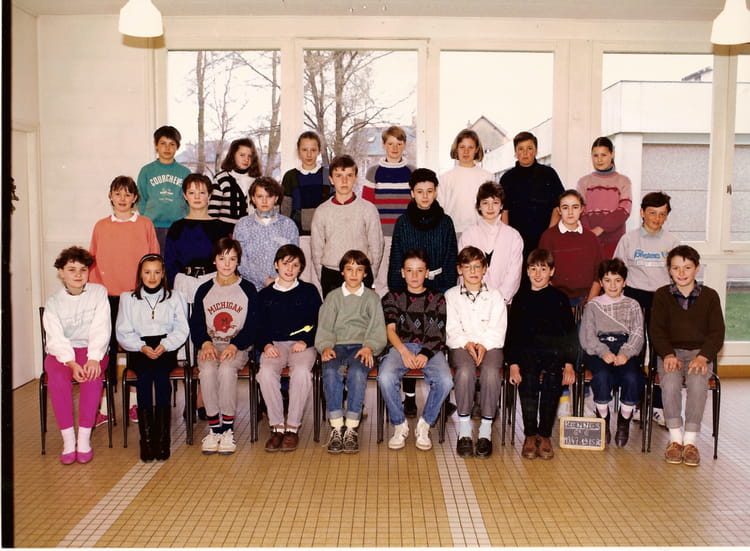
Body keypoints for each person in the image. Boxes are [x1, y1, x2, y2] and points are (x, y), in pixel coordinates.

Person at [89, 175, 159, 426]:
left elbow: (154, 260)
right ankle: (104, 408)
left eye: (128, 194)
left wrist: (145, 291)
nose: (122, 199)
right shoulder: (100, 226)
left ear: (135, 198)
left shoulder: (145, 225)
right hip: (107, 298)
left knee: (136, 351)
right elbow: (92, 262)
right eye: (118, 193)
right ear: (110, 196)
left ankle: (134, 404)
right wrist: (99, 296)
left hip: (136, 298)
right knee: (104, 350)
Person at [387, 168, 457, 417]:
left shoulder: (446, 222)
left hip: (438, 288)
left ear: (436, 192)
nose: (425, 196)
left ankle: (441, 397)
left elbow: (451, 258)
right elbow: (396, 257)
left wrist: (444, 289)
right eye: (420, 191)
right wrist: (399, 291)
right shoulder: (403, 222)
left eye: (429, 191)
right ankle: (409, 398)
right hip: (409, 289)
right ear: (412, 193)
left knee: (433, 339)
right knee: (409, 337)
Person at [650, 245, 725, 467]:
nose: (681, 273)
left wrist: (703, 357)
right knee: (671, 382)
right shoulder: (662, 295)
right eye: (676, 268)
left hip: (699, 354)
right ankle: (675, 439)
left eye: (687, 267)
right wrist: (667, 354)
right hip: (670, 353)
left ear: (697, 269)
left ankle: (690, 441)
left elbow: (717, 333)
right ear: (669, 271)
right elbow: (656, 331)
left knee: (698, 382)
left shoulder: (710, 296)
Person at [613, 191, 680, 426]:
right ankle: (635, 402)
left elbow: (678, 274)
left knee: (661, 352)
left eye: (662, 214)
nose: (657, 218)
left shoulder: (672, 242)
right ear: (642, 213)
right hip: (634, 297)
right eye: (652, 213)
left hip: (662, 299)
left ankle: (658, 405)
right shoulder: (629, 240)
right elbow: (618, 271)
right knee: (635, 351)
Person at [116, 253, 189, 461]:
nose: (152, 277)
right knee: (145, 379)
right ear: (140, 274)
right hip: (139, 348)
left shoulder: (174, 297)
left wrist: (166, 345)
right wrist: (141, 347)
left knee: (162, 380)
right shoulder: (128, 299)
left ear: (163, 273)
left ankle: (163, 440)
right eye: (147, 272)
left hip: (165, 347)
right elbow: (123, 330)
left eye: (157, 272)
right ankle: (147, 440)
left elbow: (181, 328)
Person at [378, 250, 453, 451]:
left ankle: (425, 424)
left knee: (445, 380)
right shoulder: (392, 297)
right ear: (403, 272)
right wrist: (404, 351)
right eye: (409, 270)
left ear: (427, 273)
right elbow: (390, 330)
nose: (414, 275)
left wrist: (424, 354)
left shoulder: (438, 298)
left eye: (419, 271)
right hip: (400, 347)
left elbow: (438, 332)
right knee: (385, 377)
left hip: (430, 348)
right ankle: (399, 425)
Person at [506, 249, 577, 460]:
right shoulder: (520, 298)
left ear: (551, 271)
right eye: (533, 269)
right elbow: (512, 335)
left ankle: (544, 434)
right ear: (527, 271)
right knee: (527, 378)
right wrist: (513, 364)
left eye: (543, 269)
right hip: (527, 354)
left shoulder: (560, 299)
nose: (538, 274)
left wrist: (569, 364)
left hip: (552, 354)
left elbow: (569, 334)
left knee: (553, 378)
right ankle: (529, 434)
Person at [43, 246, 110, 465]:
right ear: (61, 272)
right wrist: (71, 362)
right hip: (62, 354)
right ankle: (68, 441)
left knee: (92, 377)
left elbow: (101, 328)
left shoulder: (99, 293)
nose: (78, 275)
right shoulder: (53, 303)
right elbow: (55, 337)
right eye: (72, 270)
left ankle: (83, 440)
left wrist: (93, 358)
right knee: (57, 380)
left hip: (92, 350)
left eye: (83, 269)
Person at [315, 250, 387, 454]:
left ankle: (352, 427)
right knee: (331, 371)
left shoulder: (372, 298)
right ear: (342, 272)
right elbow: (325, 326)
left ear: (366, 273)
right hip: (336, 346)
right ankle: (337, 426)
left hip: (362, 347)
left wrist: (370, 346)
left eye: (359, 270)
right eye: (349, 269)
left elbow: (377, 328)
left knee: (356, 373)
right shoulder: (333, 297)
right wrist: (325, 346)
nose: (354, 274)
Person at [191, 238, 258, 455]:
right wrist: (205, 343)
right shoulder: (204, 290)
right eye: (222, 259)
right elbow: (196, 323)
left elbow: (253, 325)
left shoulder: (248, 289)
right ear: (214, 261)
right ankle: (214, 428)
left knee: (227, 369)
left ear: (238, 261)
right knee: (208, 370)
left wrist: (236, 345)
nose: (227, 264)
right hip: (210, 345)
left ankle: (227, 429)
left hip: (237, 347)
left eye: (232, 259)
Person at [256, 244, 322, 452]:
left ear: (301, 268)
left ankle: (292, 428)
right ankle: (277, 427)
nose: (290, 269)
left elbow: (319, 322)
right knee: (265, 373)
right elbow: (258, 326)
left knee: (302, 373)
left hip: (302, 345)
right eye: (285, 264)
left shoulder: (309, 291)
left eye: (295, 265)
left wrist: (306, 340)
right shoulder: (264, 295)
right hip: (274, 344)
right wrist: (266, 344)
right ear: (276, 265)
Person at [445, 246, 507, 458]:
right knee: (464, 372)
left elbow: (498, 327)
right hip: (462, 345)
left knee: (491, 373)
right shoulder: (451, 295)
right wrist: (467, 343)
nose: (472, 271)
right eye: (467, 267)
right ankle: (464, 431)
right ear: (459, 269)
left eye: (477, 267)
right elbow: (452, 328)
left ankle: (485, 432)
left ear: (485, 269)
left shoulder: (496, 296)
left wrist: (484, 344)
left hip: (490, 345)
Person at [579, 258, 644, 447]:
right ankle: (604, 419)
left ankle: (624, 420)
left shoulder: (632, 304)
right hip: (599, 348)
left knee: (632, 377)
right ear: (601, 282)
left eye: (617, 280)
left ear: (624, 282)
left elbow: (638, 333)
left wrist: (626, 353)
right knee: (601, 375)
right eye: (607, 280)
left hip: (625, 347)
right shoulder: (593, 305)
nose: (613, 285)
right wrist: (603, 351)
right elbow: (587, 335)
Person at [310, 154, 384, 297]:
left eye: (349, 175)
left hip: (360, 273)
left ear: (356, 178)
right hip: (331, 275)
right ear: (331, 179)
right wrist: (322, 276)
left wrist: (369, 274)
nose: (344, 181)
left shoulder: (368, 209)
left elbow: (377, 245)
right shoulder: (322, 211)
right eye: (338, 176)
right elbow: (316, 249)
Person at [500, 131, 564, 262]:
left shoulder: (549, 174)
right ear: (515, 152)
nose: (525, 153)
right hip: (516, 240)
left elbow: (558, 206)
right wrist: (507, 237)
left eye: (529, 148)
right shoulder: (507, 178)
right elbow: (504, 211)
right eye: (521, 149)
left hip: (544, 238)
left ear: (536, 150)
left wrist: (549, 234)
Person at [459, 181, 523, 305]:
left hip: (502, 302)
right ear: (478, 206)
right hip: (472, 301)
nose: (490, 208)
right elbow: (464, 270)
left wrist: (500, 299)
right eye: (485, 203)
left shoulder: (513, 236)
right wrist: (474, 298)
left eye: (495, 203)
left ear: (501, 205)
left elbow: (514, 273)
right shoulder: (468, 235)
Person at [164, 173, 234, 288]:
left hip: (213, 282)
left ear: (209, 195)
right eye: (192, 193)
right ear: (185, 196)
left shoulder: (220, 227)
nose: (197, 197)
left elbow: (226, 260)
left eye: (202, 193)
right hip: (183, 283)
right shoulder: (177, 227)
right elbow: (169, 262)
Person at [234, 176, 299, 292]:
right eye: (260, 196)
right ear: (253, 198)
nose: (264, 201)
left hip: (282, 287)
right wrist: (266, 280)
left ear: (276, 198)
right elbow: (240, 260)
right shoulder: (242, 225)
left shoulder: (288, 225)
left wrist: (279, 281)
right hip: (250, 288)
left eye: (269, 196)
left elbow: (294, 259)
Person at [539, 190, 603, 306]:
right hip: (557, 301)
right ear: (559, 210)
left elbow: (598, 274)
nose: (570, 212)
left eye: (575, 207)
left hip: (586, 300)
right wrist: (557, 301)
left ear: (582, 209)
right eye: (565, 207)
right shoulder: (548, 237)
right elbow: (543, 272)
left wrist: (589, 303)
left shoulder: (591, 238)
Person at [136, 125, 191, 252]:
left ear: (177, 147)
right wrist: (148, 217)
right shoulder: (146, 171)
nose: (167, 148)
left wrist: (185, 220)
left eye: (172, 144)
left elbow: (189, 200)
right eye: (163, 143)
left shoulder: (185, 172)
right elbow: (141, 198)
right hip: (152, 226)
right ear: (156, 145)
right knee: (154, 260)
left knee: (176, 260)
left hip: (178, 226)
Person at [577, 136, 633, 258]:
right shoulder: (583, 182)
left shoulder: (623, 181)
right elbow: (580, 211)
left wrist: (600, 229)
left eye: (603, 155)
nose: (599, 159)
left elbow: (624, 211)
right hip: (589, 241)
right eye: (595, 155)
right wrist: (590, 234)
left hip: (615, 242)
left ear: (612, 154)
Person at [438, 129, 494, 235]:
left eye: (470, 147)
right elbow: (440, 208)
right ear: (456, 149)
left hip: (480, 231)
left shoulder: (487, 177)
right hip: (453, 231)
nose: (466, 151)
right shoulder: (445, 178)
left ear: (476, 149)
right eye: (462, 147)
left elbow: (492, 208)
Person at [362, 125, 416, 236]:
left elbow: (417, 204)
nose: (395, 148)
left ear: (405, 145)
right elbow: (367, 207)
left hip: (406, 233)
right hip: (380, 233)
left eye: (399, 144)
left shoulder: (412, 172)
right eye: (390, 144)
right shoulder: (373, 172)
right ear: (383, 145)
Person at [280, 131, 331, 235]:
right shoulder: (290, 176)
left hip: (325, 234)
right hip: (297, 234)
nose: (309, 154)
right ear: (298, 151)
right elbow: (285, 210)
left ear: (319, 151)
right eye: (304, 150)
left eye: (313, 150)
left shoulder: (328, 174)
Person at [209, 137, 262, 226]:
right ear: (233, 155)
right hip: (225, 230)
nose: (246, 159)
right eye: (242, 155)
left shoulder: (257, 181)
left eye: (249, 156)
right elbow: (213, 212)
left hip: (250, 229)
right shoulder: (220, 179)